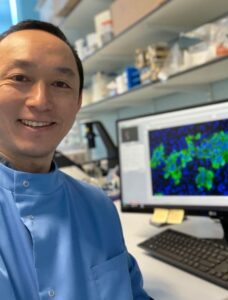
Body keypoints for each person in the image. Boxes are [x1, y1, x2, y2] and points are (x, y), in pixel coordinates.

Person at [0, 19, 152, 300]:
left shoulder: (98, 205)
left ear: (78, 102)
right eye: (20, 78)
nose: (41, 101)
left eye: (60, 83)